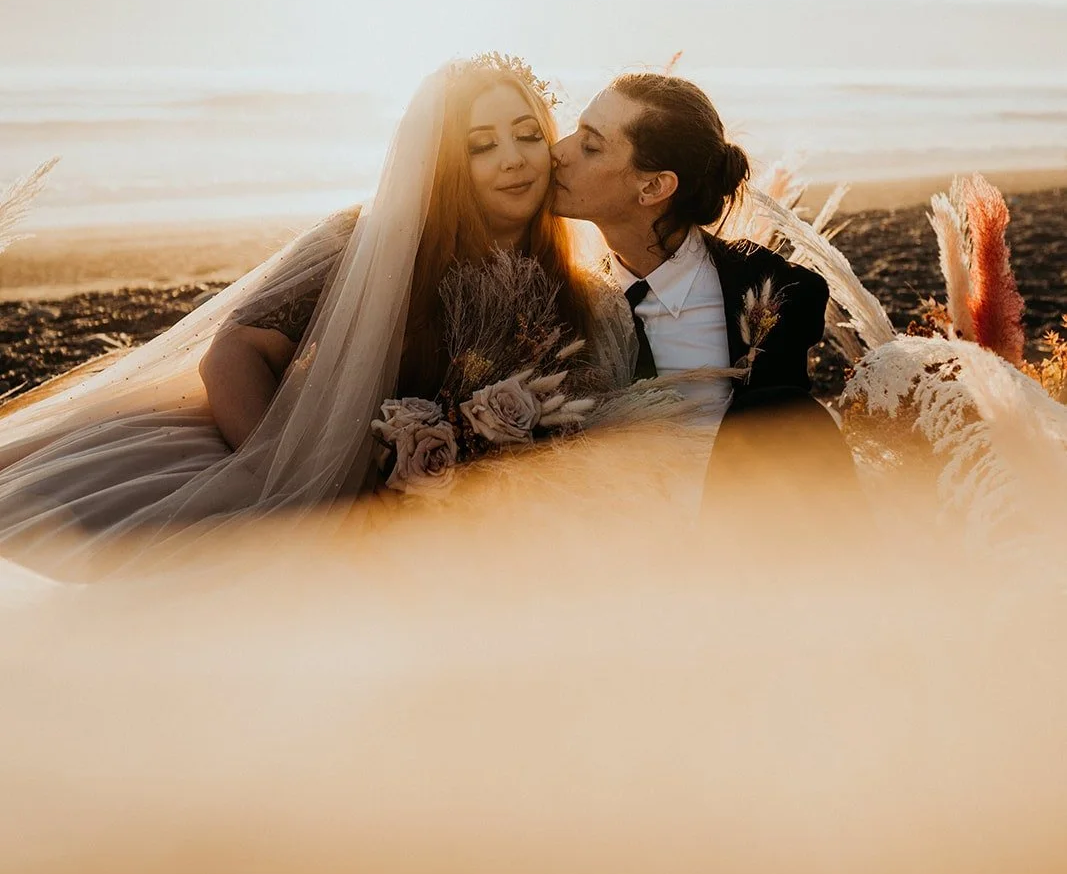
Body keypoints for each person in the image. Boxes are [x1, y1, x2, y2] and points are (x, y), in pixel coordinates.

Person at [0, 56, 629, 577]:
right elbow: (236, 350)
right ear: (442, 162)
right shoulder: (366, 242)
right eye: (481, 146)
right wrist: (282, 479)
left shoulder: (581, 294)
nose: (513, 159)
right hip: (310, 481)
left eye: (526, 134)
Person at [551, 72, 854, 507]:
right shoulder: (564, 305)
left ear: (653, 187)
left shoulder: (777, 295)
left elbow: (792, 469)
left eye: (590, 146)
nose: (557, 153)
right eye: (575, 132)